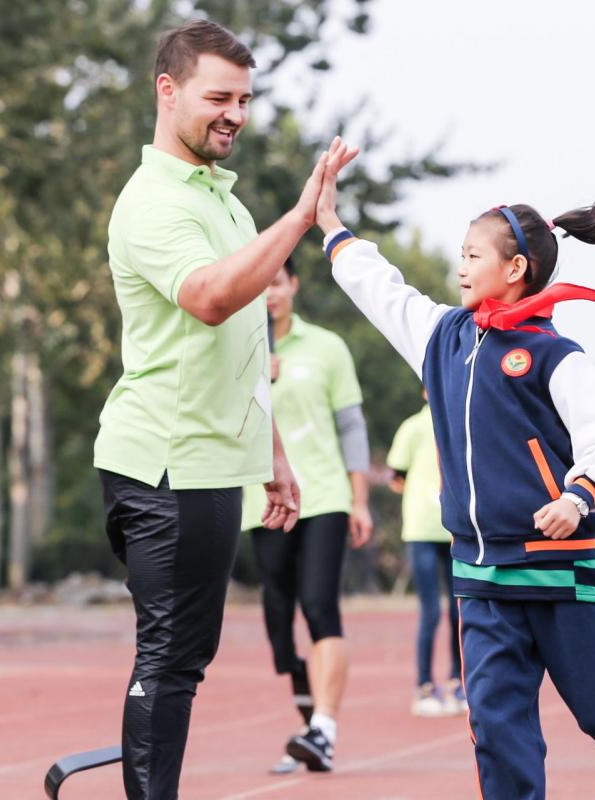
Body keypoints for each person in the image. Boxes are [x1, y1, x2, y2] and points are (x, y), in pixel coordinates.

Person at [313, 140, 595, 800]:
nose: (460, 265)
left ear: (517, 268)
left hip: (561, 576)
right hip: (481, 577)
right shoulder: (441, 338)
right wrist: (332, 227)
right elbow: (381, 290)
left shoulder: (553, 353)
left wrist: (577, 496)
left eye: (473, 255)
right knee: (498, 730)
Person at [93, 19, 352, 799]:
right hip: (161, 463)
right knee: (169, 657)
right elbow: (209, 300)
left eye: (244, 98)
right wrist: (303, 216)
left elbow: (240, 352)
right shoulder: (153, 204)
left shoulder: (226, 204)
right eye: (218, 96)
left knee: (185, 658)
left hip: (211, 467)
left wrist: (270, 457)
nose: (235, 113)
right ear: (167, 92)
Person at [242, 257, 373, 774]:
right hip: (263, 504)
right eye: (260, 287)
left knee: (319, 605)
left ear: (292, 285)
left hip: (322, 497)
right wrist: (251, 379)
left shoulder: (327, 348)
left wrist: (360, 499)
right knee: (280, 625)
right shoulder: (236, 351)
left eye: (276, 283)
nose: (268, 295)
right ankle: (309, 728)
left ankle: (324, 726)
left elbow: (353, 428)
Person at [388, 393, 465, 716]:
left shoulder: (461, 420)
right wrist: (424, 495)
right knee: (430, 611)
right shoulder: (413, 427)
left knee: (459, 610)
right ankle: (423, 685)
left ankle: (456, 681)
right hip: (421, 529)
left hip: (455, 531)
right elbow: (396, 476)